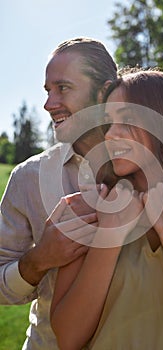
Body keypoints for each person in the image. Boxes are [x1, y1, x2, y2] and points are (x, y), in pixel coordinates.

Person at [50, 69, 163, 349]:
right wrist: (109, 236)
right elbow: (68, 337)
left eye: (127, 120)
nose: (110, 135)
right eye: (109, 123)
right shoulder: (88, 208)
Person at [0, 37, 118, 350]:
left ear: (103, 92)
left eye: (62, 88)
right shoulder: (28, 177)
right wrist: (40, 259)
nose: (49, 103)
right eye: (47, 90)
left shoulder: (155, 169)